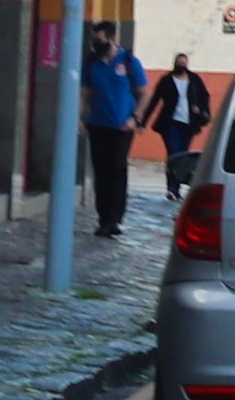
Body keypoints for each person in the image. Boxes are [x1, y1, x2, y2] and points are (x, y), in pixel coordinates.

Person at [80, 21, 146, 238]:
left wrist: (135, 118)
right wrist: (81, 118)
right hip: (98, 123)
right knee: (101, 171)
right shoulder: (91, 63)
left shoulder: (128, 61)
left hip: (122, 126)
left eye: (98, 38)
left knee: (117, 168)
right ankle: (103, 218)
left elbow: (144, 92)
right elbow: (85, 93)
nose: (94, 43)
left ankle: (116, 218)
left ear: (110, 37)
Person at [138, 52, 212, 202]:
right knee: (173, 153)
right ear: (174, 64)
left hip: (189, 124)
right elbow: (155, 100)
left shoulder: (194, 79)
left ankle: (176, 188)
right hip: (170, 122)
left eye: (184, 63)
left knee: (183, 156)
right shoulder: (166, 80)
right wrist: (143, 122)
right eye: (179, 63)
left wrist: (201, 109)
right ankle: (171, 188)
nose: (182, 65)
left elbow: (205, 96)